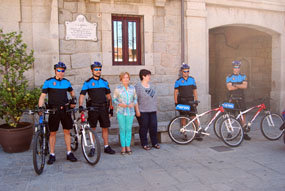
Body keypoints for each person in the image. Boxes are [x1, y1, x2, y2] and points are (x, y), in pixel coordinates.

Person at [38, 62, 77, 165]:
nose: (60, 72)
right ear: (55, 71)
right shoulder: (49, 82)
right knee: (53, 133)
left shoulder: (66, 82)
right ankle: (52, 154)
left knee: (67, 131)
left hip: (65, 110)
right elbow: (42, 96)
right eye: (58, 70)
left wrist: (73, 101)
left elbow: (72, 93)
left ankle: (69, 152)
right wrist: (40, 107)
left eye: (62, 70)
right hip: (54, 111)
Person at [78, 61, 115, 155]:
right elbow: (82, 95)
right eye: (96, 69)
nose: (98, 71)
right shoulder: (88, 82)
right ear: (92, 71)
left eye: (99, 69)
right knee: (93, 128)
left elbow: (109, 96)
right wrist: (80, 105)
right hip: (93, 108)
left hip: (103, 108)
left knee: (105, 127)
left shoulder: (104, 82)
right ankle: (92, 147)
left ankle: (106, 146)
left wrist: (111, 109)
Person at [174, 63, 202, 141]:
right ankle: (184, 133)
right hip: (182, 101)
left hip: (191, 101)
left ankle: (196, 133)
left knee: (193, 117)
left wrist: (196, 100)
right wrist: (176, 102)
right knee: (183, 118)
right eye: (184, 71)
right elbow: (175, 92)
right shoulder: (178, 81)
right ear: (181, 72)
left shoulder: (192, 79)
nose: (186, 73)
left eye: (187, 71)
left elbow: (194, 90)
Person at [113, 72, 138, 155]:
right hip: (121, 112)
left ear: (129, 79)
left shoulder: (132, 88)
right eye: (124, 78)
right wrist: (120, 104)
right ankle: (123, 147)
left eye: (127, 77)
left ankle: (128, 146)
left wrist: (133, 104)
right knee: (122, 129)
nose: (126, 79)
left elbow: (135, 99)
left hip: (130, 112)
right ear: (121, 79)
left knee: (128, 129)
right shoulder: (118, 89)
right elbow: (114, 99)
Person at [135, 69, 160, 150]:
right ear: (143, 76)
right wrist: (137, 111)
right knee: (144, 128)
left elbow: (154, 98)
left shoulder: (152, 86)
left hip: (152, 110)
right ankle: (144, 143)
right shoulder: (138, 87)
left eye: (150, 75)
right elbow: (135, 100)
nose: (150, 77)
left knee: (153, 127)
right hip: (142, 111)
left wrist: (155, 108)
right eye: (148, 75)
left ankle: (154, 142)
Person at [226, 60, 251, 140]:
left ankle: (244, 133)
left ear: (239, 68)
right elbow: (229, 88)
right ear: (233, 68)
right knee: (231, 116)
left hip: (241, 98)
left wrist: (235, 84)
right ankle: (229, 132)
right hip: (232, 98)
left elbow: (245, 86)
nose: (236, 69)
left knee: (242, 115)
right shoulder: (229, 77)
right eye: (235, 68)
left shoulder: (243, 76)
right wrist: (240, 85)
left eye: (237, 68)